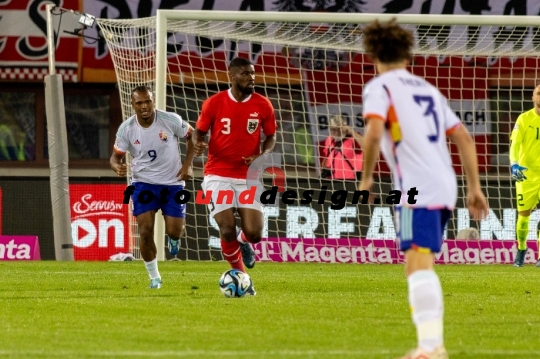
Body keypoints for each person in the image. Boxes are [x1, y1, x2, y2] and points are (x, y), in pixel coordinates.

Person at [358, 19, 489, 359]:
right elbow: (462, 136)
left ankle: (431, 348)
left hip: (420, 190)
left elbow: (373, 132)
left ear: (373, 54)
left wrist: (366, 178)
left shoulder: (380, 87)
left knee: (419, 262)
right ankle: (430, 345)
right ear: (408, 55)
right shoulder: (428, 89)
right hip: (425, 188)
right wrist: (474, 188)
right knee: (413, 262)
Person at [193, 57, 277, 296]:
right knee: (226, 227)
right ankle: (244, 279)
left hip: (249, 175)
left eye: (253, 73)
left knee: (255, 234)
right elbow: (198, 133)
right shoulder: (214, 103)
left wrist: (263, 154)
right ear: (232, 76)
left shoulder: (263, 105)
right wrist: (198, 144)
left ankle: (243, 242)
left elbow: (271, 136)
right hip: (217, 174)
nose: (251, 78)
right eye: (245, 74)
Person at [110, 85, 195, 289]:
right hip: (143, 184)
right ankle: (154, 277)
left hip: (173, 183)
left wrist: (188, 164)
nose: (144, 106)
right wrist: (116, 166)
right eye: (139, 103)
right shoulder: (127, 128)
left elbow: (193, 136)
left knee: (175, 231)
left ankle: (174, 239)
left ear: (153, 100)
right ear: (133, 105)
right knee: (145, 230)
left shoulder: (170, 119)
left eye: (147, 101)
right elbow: (115, 157)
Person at [509, 84, 540, 268]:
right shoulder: (523, 119)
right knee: (523, 218)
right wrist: (513, 164)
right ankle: (521, 249)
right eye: (539, 93)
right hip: (526, 176)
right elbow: (514, 145)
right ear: (532, 97)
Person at [321, 114, 364, 180]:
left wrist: (351, 131)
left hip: (351, 180)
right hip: (334, 181)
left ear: (344, 126)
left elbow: (367, 146)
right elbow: (326, 158)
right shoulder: (329, 140)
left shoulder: (353, 138)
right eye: (332, 129)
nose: (335, 132)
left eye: (338, 129)